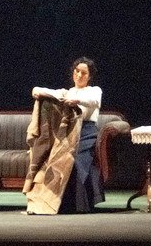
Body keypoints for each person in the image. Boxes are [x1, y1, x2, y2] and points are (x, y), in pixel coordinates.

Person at [30, 56, 104, 213]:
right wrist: (37, 91)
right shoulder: (67, 92)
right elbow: (39, 90)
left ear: (89, 76)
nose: (79, 75)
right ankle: (51, 202)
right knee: (53, 159)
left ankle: (79, 205)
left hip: (86, 133)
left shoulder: (94, 90)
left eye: (84, 73)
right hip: (68, 133)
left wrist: (76, 101)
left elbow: (93, 101)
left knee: (73, 161)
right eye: (77, 71)